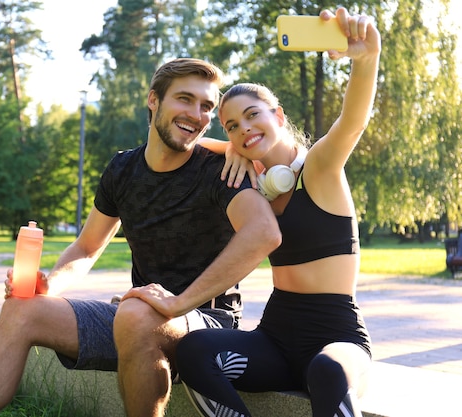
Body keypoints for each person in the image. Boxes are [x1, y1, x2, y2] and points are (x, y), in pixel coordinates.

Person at [0, 58, 281, 417]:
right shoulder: (123, 169)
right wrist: (50, 283)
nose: (196, 114)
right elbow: (87, 246)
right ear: (153, 100)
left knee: (136, 313)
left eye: (206, 106)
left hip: (206, 326)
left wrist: (178, 303)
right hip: (133, 316)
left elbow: (263, 233)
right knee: (21, 308)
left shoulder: (221, 171)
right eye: (184, 99)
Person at [124, 7, 381, 417]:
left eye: (252, 116)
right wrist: (233, 150)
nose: (243, 129)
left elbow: (353, 122)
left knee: (327, 371)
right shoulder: (256, 181)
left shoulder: (320, 166)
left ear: (278, 115)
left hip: (336, 336)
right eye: (230, 126)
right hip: (276, 336)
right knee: (193, 351)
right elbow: (191, 142)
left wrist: (367, 59)